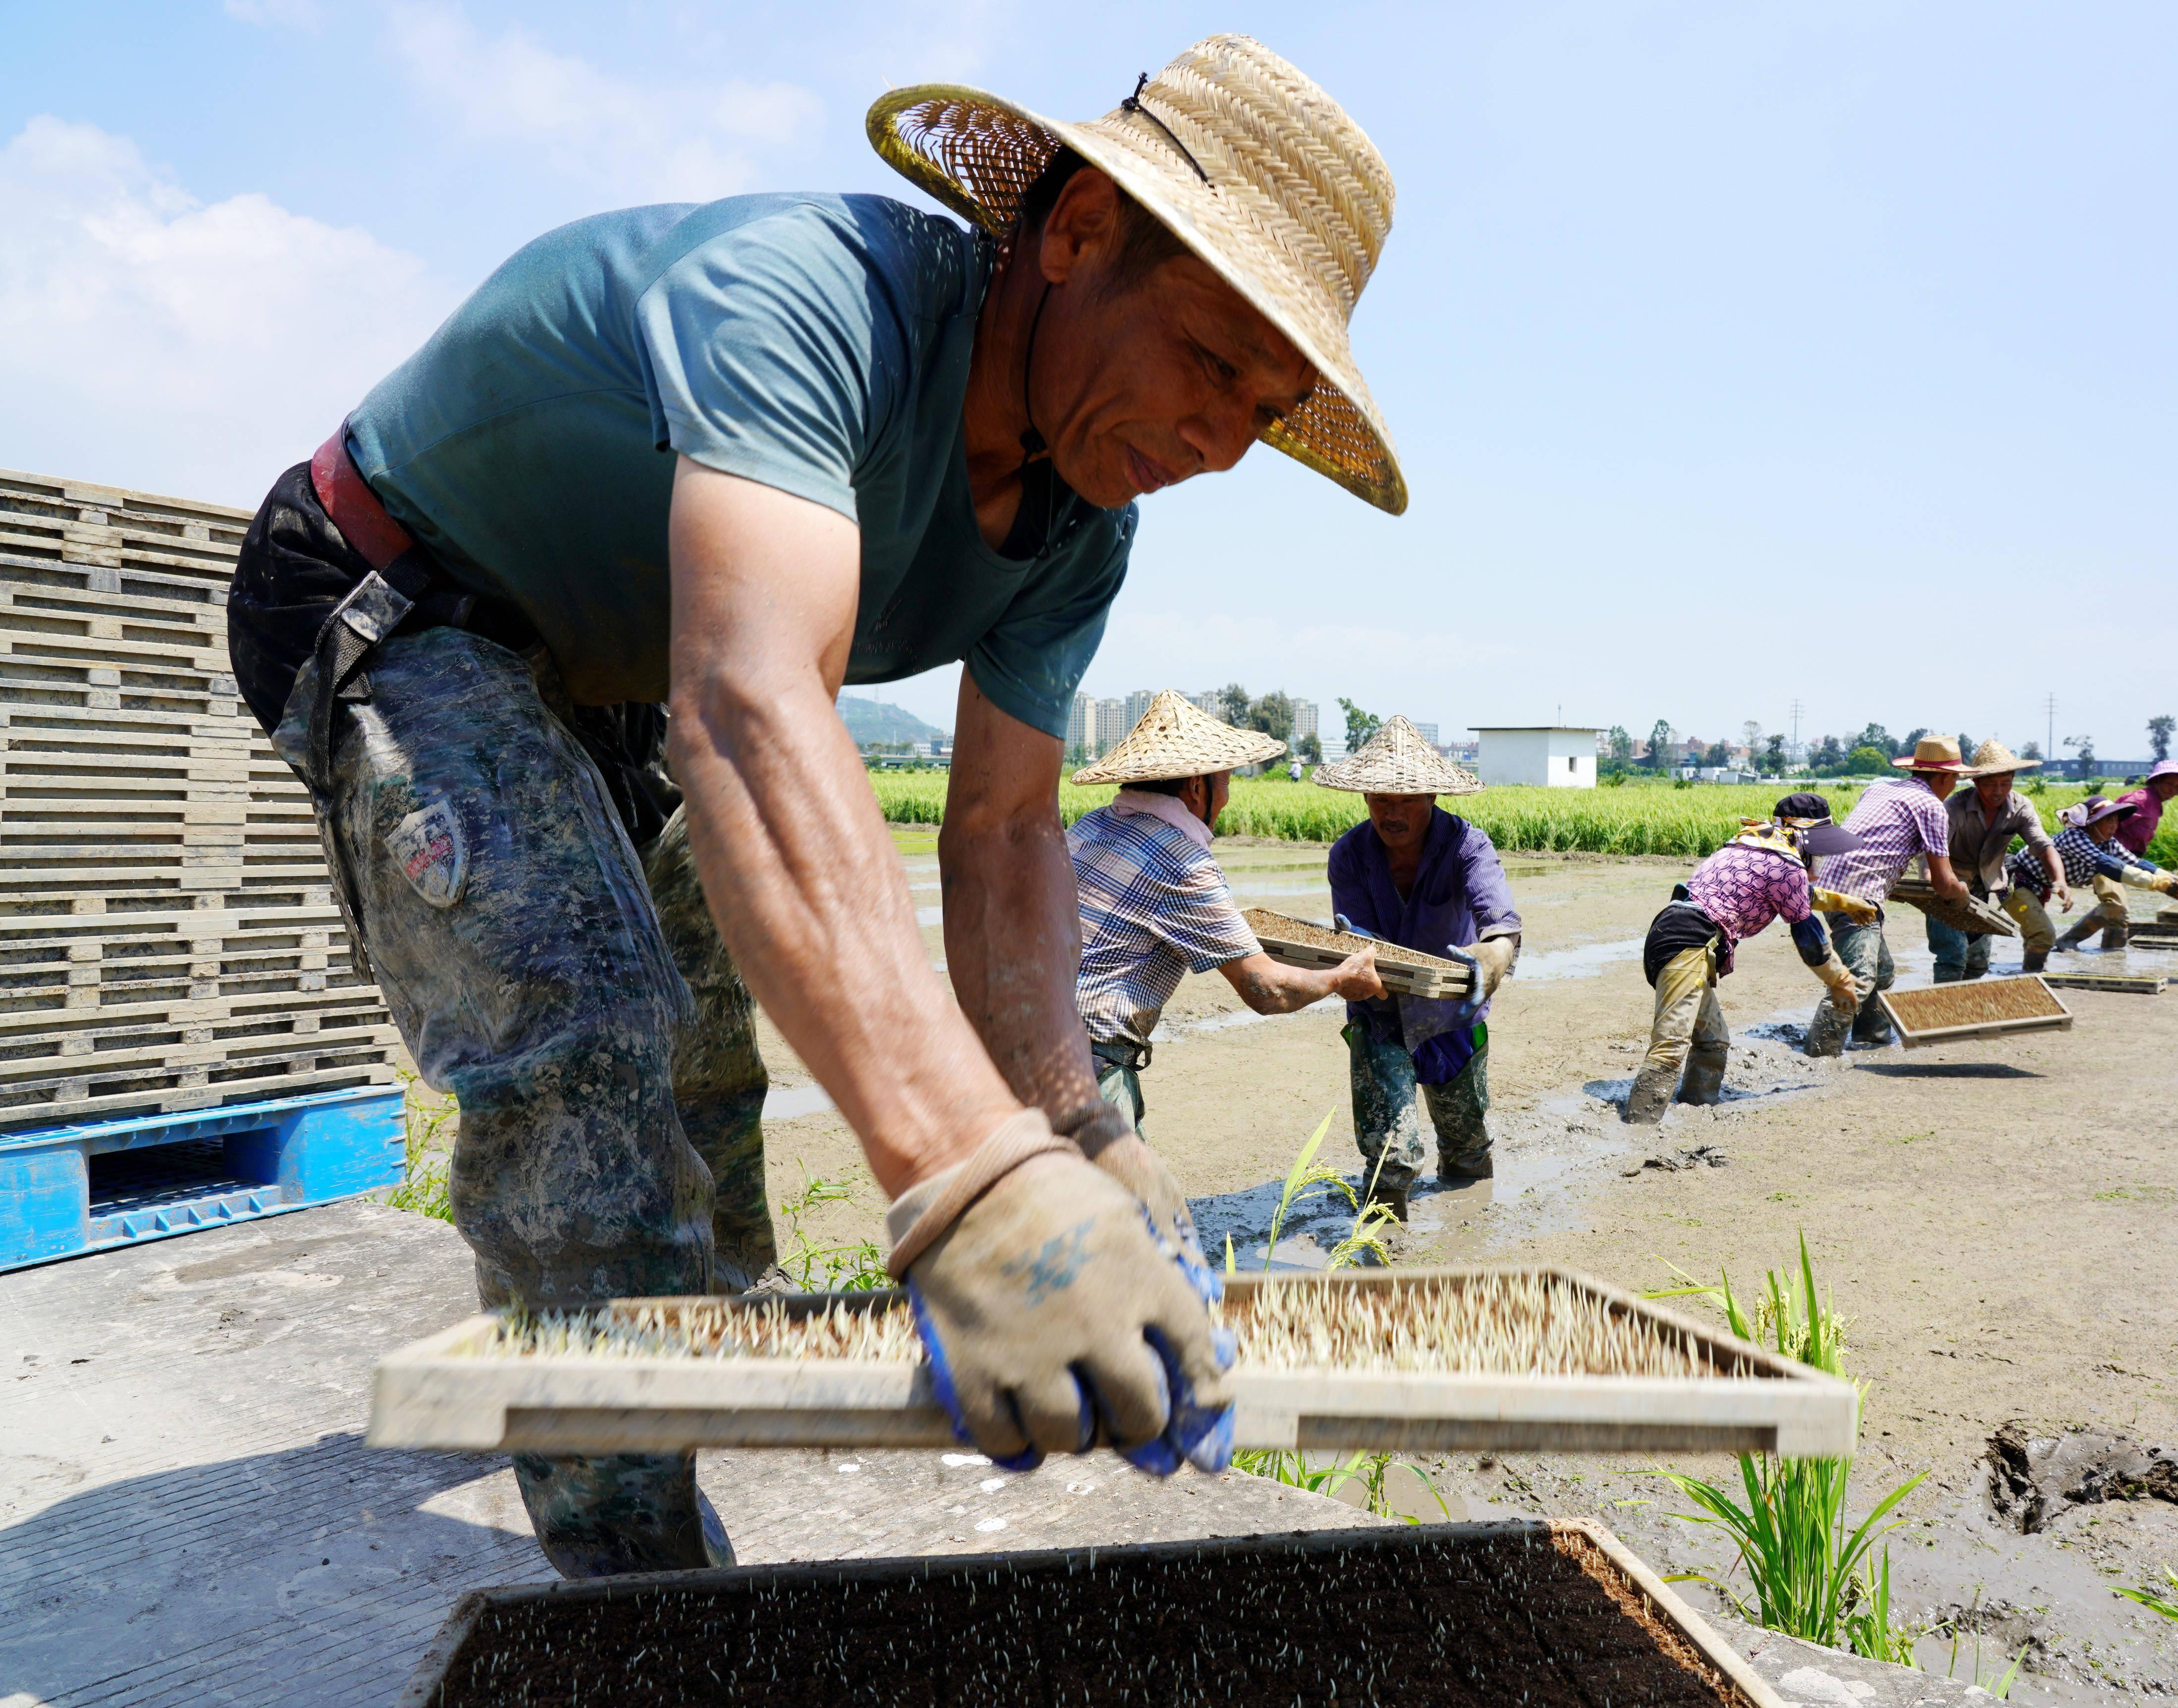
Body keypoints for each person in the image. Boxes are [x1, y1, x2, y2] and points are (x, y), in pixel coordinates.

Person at [221, 38, 1405, 1577]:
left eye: (1266, 406)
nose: (1221, 441)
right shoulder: (809, 300)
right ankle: (642, 1596)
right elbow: (755, 707)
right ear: (1076, 234)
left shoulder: (1076, 535)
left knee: (714, 1078)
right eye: (1208, 361)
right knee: (584, 1057)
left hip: (619, 675)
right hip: (411, 592)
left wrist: (1070, 1123)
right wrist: (969, 1176)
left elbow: (1001, 833)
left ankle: (694, 1392)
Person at [1069, 693, 1384, 1132]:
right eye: (1228, 782)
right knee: (1127, 1201)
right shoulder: (1183, 862)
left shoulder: (1087, 827)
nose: (1229, 798)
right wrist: (1339, 979)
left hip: (1013, 1046)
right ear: (1199, 787)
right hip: (1084, 1073)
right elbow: (1265, 988)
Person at [1315, 718, 1522, 1221]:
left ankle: (1471, 1226)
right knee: (1392, 1156)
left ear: (1430, 795)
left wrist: (1495, 955)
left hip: (1452, 1011)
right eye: (1381, 799)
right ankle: (1383, 1243)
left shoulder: (1466, 846)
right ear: (1364, 797)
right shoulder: (1348, 855)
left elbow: (1500, 921)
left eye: (1406, 800)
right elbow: (1358, 941)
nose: (1393, 812)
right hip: (1379, 1012)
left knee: (1468, 1147)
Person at [1626, 794, 1868, 1125]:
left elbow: (1799, 896)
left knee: (1713, 1041)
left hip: (1677, 937)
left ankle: (1695, 1111)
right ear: (1803, 839)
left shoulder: (1755, 848)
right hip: (1687, 942)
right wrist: (1840, 982)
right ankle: (1638, 1129)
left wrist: (1848, 903)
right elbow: (1809, 937)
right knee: (1670, 1046)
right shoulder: (1787, 865)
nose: (1820, 859)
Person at [1801, 735, 1973, 1057]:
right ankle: (1819, 1054)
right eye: (1956, 780)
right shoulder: (1933, 806)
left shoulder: (1880, 787)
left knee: (1883, 972)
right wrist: (1962, 894)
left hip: (1832, 882)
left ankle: (1872, 1037)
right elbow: (1943, 883)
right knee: (1859, 978)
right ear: (1948, 777)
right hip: (1859, 893)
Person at [1930, 739, 2067, 980]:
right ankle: (1941, 1013)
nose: (1998, 791)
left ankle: (1966, 1011)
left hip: (1984, 889)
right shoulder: (1955, 808)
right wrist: (1933, 888)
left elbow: (2042, 844)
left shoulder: (2021, 807)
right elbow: (1933, 851)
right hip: (1947, 886)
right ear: (1976, 782)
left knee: (1978, 963)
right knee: (1952, 957)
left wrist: (2060, 880)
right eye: (1991, 784)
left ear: (2013, 780)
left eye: (2005, 784)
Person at [2038, 796, 2178, 953]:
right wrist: (2161, 884)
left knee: (2118, 909)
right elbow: (2109, 866)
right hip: (2035, 880)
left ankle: (2108, 951)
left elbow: (2137, 863)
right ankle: (2057, 949)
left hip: (2078, 876)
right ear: (2092, 823)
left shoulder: (2109, 842)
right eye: (2108, 821)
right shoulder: (2075, 837)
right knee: (2038, 932)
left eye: (2116, 821)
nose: (2114, 826)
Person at [2086, 760, 2178, 948]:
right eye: (2168, 784)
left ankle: (2112, 956)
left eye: (2177, 786)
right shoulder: (2139, 801)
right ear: (2156, 781)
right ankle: (2069, 943)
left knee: (2117, 913)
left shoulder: (2155, 804)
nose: (2172, 790)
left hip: (2127, 861)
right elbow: (2106, 825)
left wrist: (2177, 880)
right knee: (2117, 909)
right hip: (2108, 859)